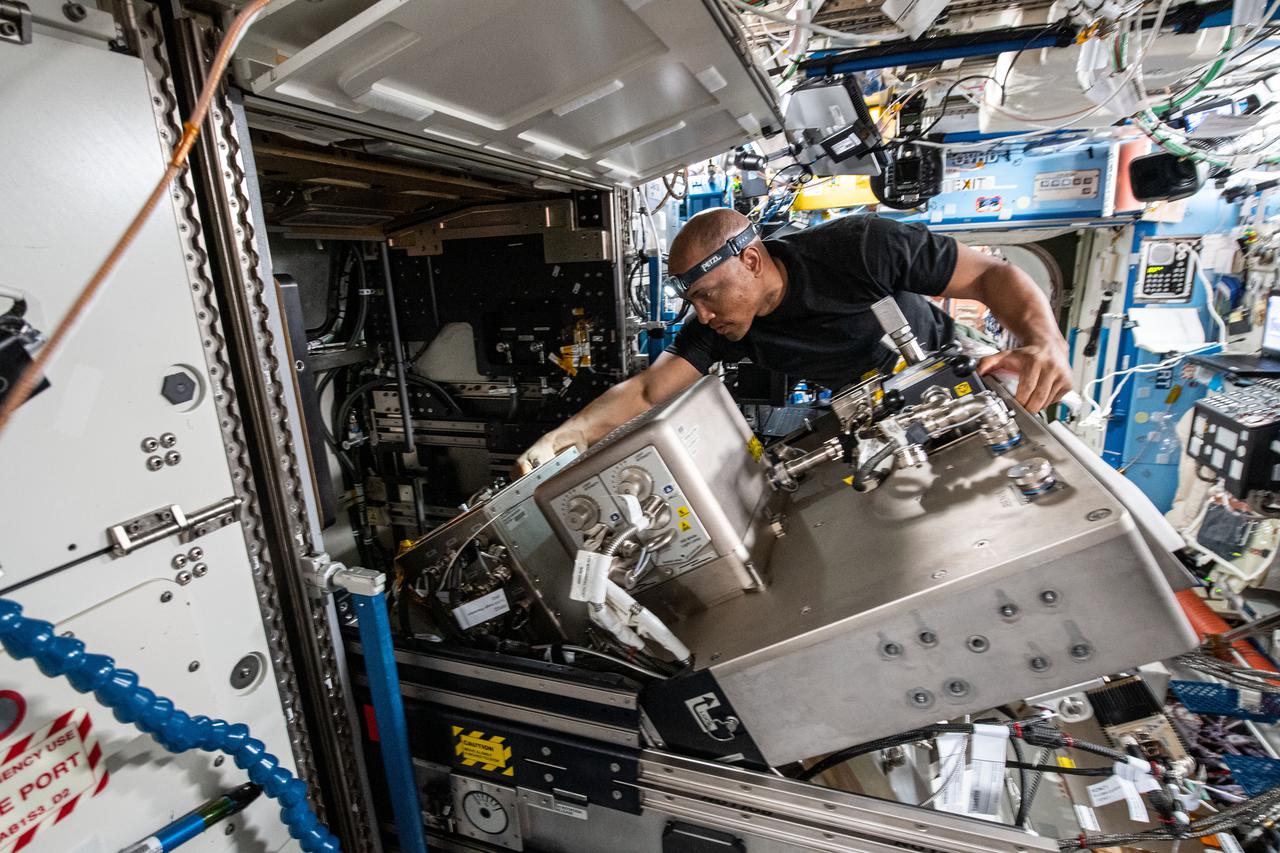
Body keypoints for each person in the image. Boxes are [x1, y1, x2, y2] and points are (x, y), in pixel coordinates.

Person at [515, 207, 1072, 474]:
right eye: (693, 303)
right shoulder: (725, 327)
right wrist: (569, 435)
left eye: (709, 295)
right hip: (875, 418)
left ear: (751, 261)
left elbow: (989, 276)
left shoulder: (859, 247)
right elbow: (645, 392)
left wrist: (1045, 341)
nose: (702, 315)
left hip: (953, 378)